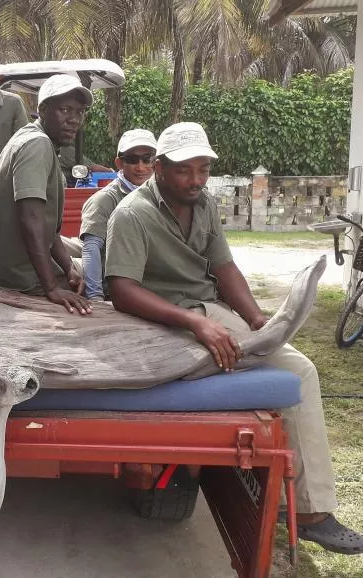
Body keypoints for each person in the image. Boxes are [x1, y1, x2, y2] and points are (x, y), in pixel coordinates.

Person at [105, 121, 363, 555]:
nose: (196, 180)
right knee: (268, 366)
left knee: (300, 370)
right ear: (160, 169)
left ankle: (310, 510)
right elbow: (122, 291)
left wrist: (257, 318)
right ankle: (303, 507)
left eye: (203, 169)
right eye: (186, 170)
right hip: (157, 325)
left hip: (207, 313)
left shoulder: (203, 204)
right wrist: (195, 323)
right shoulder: (130, 214)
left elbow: (224, 268)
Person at [0, 74, 92, 315]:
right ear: (42, 109)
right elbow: (31, 221)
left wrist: (67, 267)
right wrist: (51, 287)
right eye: (64, 110)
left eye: (80, 112)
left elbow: (49, 231)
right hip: (20, 276)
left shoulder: (34, 140)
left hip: (14, 267)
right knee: (101, 273)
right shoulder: (36, 145)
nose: (73, 120)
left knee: (85, 265)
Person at [80, 128, 157, 300]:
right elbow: (91, 248)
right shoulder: (105, 199)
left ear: (156, 162)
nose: (141, 167)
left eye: (147, 159)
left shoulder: (160, 195)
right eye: (132, 160)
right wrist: (95, 297)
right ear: (119, 163)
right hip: (118, 291)